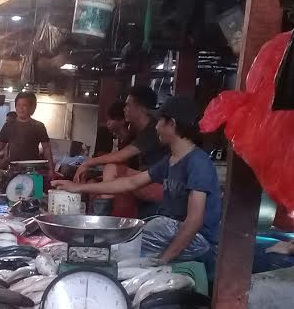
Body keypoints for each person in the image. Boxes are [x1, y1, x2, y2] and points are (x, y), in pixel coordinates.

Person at [52, 97, 221, 264]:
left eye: (160, 121)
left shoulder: (198, 164)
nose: (156, 126)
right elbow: (130, 183)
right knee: (130, 238)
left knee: (130, 243)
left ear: (172, 124)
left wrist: (164, 260)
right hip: (173, 231)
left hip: (200, 243)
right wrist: (77, 188)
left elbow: (194, 221)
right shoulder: (171, 159)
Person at [73, 85, 169, 218]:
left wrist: (88, 162)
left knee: (112, 169)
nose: (125, 109)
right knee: (97, 182)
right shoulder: (137, 131)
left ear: (140, 108)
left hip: (160, 185)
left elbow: (121, 157)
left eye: (128, 105)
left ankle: (101, 221)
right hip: (147, 180)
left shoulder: (152, 130)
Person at [0, 92, 55, 171]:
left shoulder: (39, 126)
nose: (21, 108)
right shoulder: (8, 125)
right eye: (18, 105)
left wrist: (51, 170)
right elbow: (0, 146)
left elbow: (46, 148)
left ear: (32, 107)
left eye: (24, 105)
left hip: (33, 169)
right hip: (14, 169)